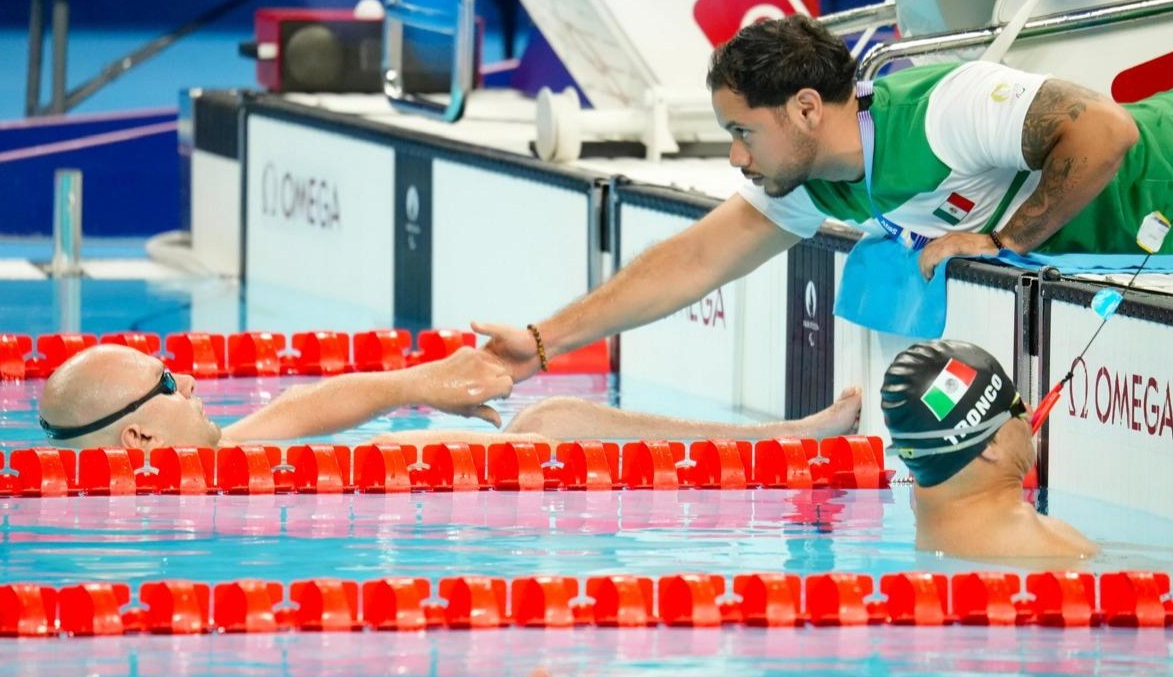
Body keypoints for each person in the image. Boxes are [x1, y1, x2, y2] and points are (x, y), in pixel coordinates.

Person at [475, 14, 1173, 380]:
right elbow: (694, 261)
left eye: (740, 132)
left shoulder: (947, 107)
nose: (733, 156)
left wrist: (1008, 239)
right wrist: (544, 342)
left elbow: (1104, 132)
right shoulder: (813, 178)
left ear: (806, 109)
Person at [36, 344, 863, 451]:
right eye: (173, 385)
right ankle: (788, 439)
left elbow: (312, 405)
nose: (195, 382)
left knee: (548, 422)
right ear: (140, 437)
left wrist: (420, 385)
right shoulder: (201, 494)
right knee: (552, 423)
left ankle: (786, 435)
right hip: (500, 497)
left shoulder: (226, 454)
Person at [880, 339, 1096, 560]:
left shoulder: (929, 524)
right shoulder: (1057, 555)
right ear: (990, 444)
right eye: (1017, 406)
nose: (1030, 413)